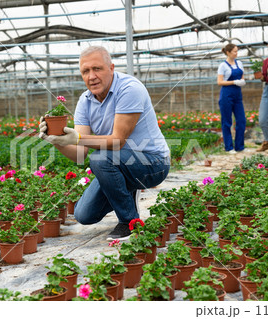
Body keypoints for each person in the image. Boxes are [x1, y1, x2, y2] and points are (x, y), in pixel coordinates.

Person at [39, 46, 170, 241]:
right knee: (84, 214)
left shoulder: (129, 89)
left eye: (97, 69)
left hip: (152, 163)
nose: (91, 76)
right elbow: (80, 154)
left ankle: (129, 223)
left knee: (100, 158)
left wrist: (77, 138)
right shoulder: (85, 101)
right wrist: (57, 141)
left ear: (111, 68)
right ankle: (128, 191)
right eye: (85, 71)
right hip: (118, 163)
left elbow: (117, 140)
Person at [217, 43, 247, 154]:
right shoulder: (223, 66)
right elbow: (219, 82)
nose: (236, 53)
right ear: (228, 52)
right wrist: (234, 82)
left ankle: (239, 146)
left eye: (237, 51)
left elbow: (242, 76)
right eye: (234, 51)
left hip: (237, 95)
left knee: (241, 120)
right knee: (227, 121)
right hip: (226, 95)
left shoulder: (239, 63)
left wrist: (242, 81)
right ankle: (229, 147)